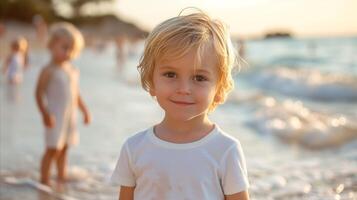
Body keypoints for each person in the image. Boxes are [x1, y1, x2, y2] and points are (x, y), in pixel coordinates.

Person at [111, 10, 250, 200]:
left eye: (199, 78)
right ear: (151, 81)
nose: (184, 89)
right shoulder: (134, 148)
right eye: (170, 74)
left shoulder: (226, 150)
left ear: (219, 89)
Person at [35, 22, 91, 186]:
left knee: (65, 147)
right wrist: (45, 113)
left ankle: (61, 176)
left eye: (72, 50)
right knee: (52, 149)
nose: (68, 53)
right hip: (55, 116)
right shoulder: (48, 70)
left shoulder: (72, 69)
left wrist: (85, 111)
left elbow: (76, 94)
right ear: (52, 45)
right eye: (64, 47)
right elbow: (38, 93)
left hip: (69, 117)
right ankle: (44, 181)